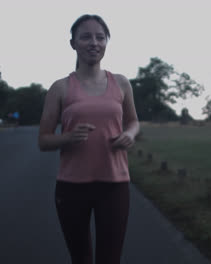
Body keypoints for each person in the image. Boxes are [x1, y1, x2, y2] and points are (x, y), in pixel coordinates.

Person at [38, 14, 140, 264]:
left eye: (100, 37)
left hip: (115, 184)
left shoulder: (122, 83)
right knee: (81, 258)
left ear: (106, 42)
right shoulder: (60, 88)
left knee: (110, 258)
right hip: (72, 186)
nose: (94, 42)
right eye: (85, 37)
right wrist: (68, 138)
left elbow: (133, 121)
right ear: (73, 43)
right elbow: (43, 140)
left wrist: (129, 134)